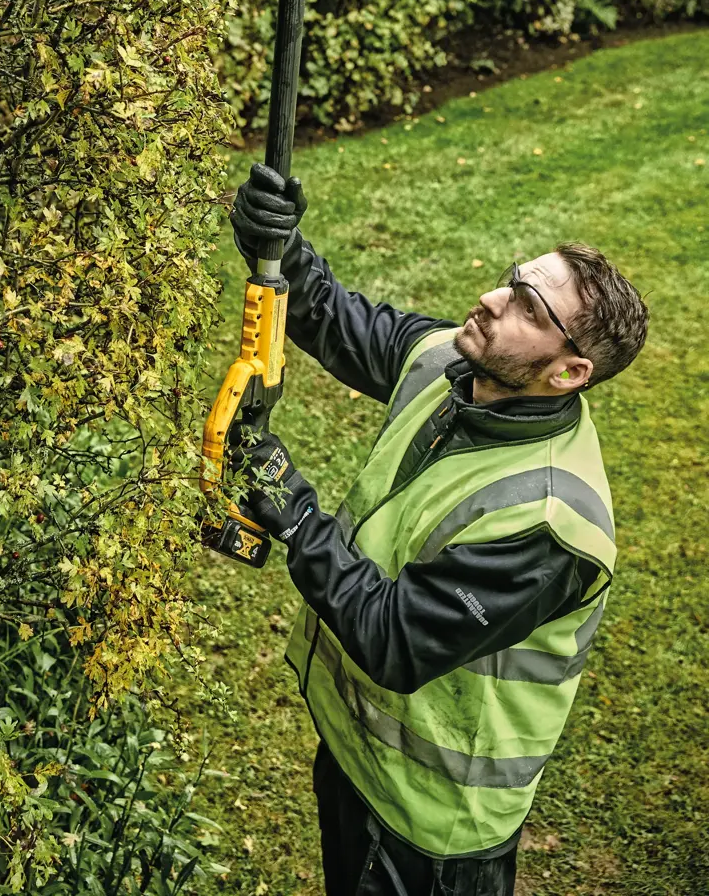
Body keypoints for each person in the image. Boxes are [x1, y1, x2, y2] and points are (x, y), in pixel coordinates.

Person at [228, 163, 649, 896]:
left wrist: (293, 510)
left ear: (568, 372)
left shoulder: (549, 522)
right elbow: (331, 316)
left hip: (433, 829)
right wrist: (278, 248)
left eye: (525, 305)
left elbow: (395, 639)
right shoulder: (448, 361)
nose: (489, 299)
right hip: (356, 754)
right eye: (512, 279)